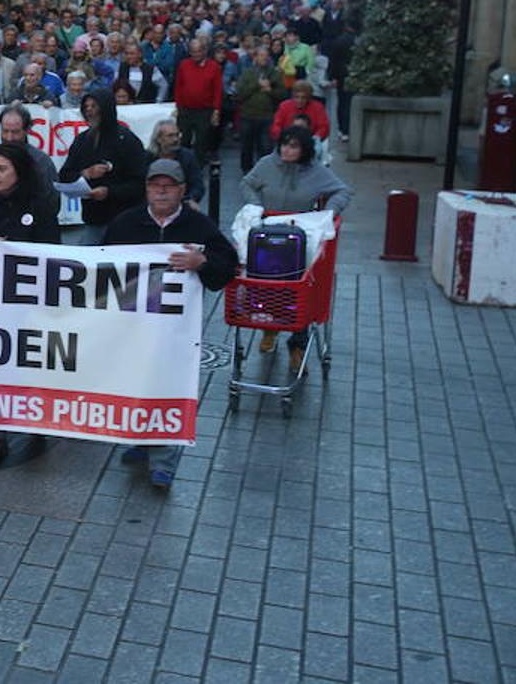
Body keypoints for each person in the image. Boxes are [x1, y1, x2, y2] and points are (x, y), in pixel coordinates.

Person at [104, 158, 239, 491]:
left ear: (181, 190)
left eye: (169, 185)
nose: (161, 191)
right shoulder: (125, 223)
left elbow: (227, 266)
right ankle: (140, 440)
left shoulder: (199, 226)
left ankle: (164, 461)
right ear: (146, 189)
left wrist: (201, 261)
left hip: (175, 332)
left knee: (169, 386)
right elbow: (98, 263)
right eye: (155, 185)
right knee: (135, 383)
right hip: (133, 327)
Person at [0, 142, 60, 470]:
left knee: (29, 365)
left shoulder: (41, 206)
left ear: (19, 172)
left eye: (2, 169)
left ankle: (35, 420)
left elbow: (52, 252)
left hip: (28, 303)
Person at [240, 126, 353, 372]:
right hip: (267, 239)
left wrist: (329, 213)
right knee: (265, 287)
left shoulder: (316, 172)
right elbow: (247, 183)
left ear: (304, 150)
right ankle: (269, 329)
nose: (287, 150)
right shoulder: (266, 164)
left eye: (293, 146)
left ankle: (297, 345)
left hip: (298, 242)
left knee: (298, 291)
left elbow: (343, 190)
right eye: (284, 144)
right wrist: (256, 207)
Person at [57, 90, 148, 243]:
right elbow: (65, 175)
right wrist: (85, 174)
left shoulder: (127, 140)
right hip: (93, 221)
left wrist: (109, 192)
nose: (90, 111)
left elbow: (140, 183)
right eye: (86, 107)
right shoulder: (82, 140)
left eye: (94, 106)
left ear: (106, 108)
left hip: (124, 221)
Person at [0, 103, 61, 219]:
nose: (9, 138)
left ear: (27, 130)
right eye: (5, 131)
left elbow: (51, 201)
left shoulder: (41, 161)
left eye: (15, 132)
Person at [234, 45, 285, 172]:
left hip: (267, 115)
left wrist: (270, 90)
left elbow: (283, 94)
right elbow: (240, 93)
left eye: (266, 56)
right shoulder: (247, 73)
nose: (264, 58)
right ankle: (246, 169)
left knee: (266, 146)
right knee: (247, 146)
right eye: (261, 56)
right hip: (248, 115)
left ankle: (264, 170)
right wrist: (256, 85)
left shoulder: (275, 73)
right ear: (255, 57)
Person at [172, 38, 223, 164]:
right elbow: (178, 86)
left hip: (204, 111)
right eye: (193, 51)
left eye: (198, 51)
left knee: (202, 141)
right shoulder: (183, 65)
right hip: (185, 110)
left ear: (204, 51)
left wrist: (216, 111)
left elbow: (217, 90)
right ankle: (182, 165)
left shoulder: (214, 67)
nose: (195, 55)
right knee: (183, 140)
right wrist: (178, 106)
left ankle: (198, 167)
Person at [147, 119, 206, 208]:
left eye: (177, 135)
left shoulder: (188, 156)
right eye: (170, 136)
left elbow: (198, 185)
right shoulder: (147, 158)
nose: (175, 139)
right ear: (159, 139)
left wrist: (191, 199)